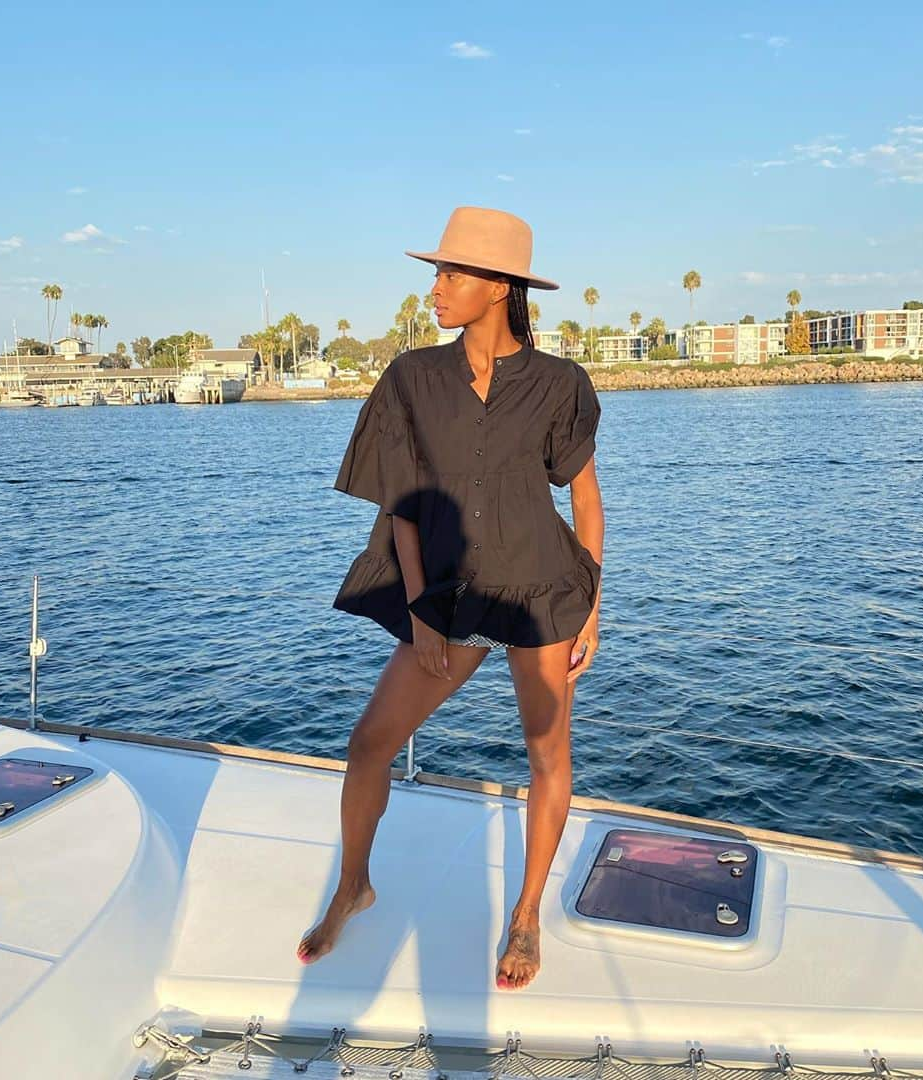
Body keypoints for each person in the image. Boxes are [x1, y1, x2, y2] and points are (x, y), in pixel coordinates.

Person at [297, 206, 605, 991]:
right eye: (436, 272)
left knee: (547, 754)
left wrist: (593, 609)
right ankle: (353, 886)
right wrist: (421, 608)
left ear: (498, 286)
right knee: (370, 742)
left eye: (451, 273)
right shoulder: (412, 378)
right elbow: (401, 500)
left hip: (540, 590)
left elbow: (586, 503)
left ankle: (528, 914)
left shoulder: (560, 384)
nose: (435, 288)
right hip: (450, 594)